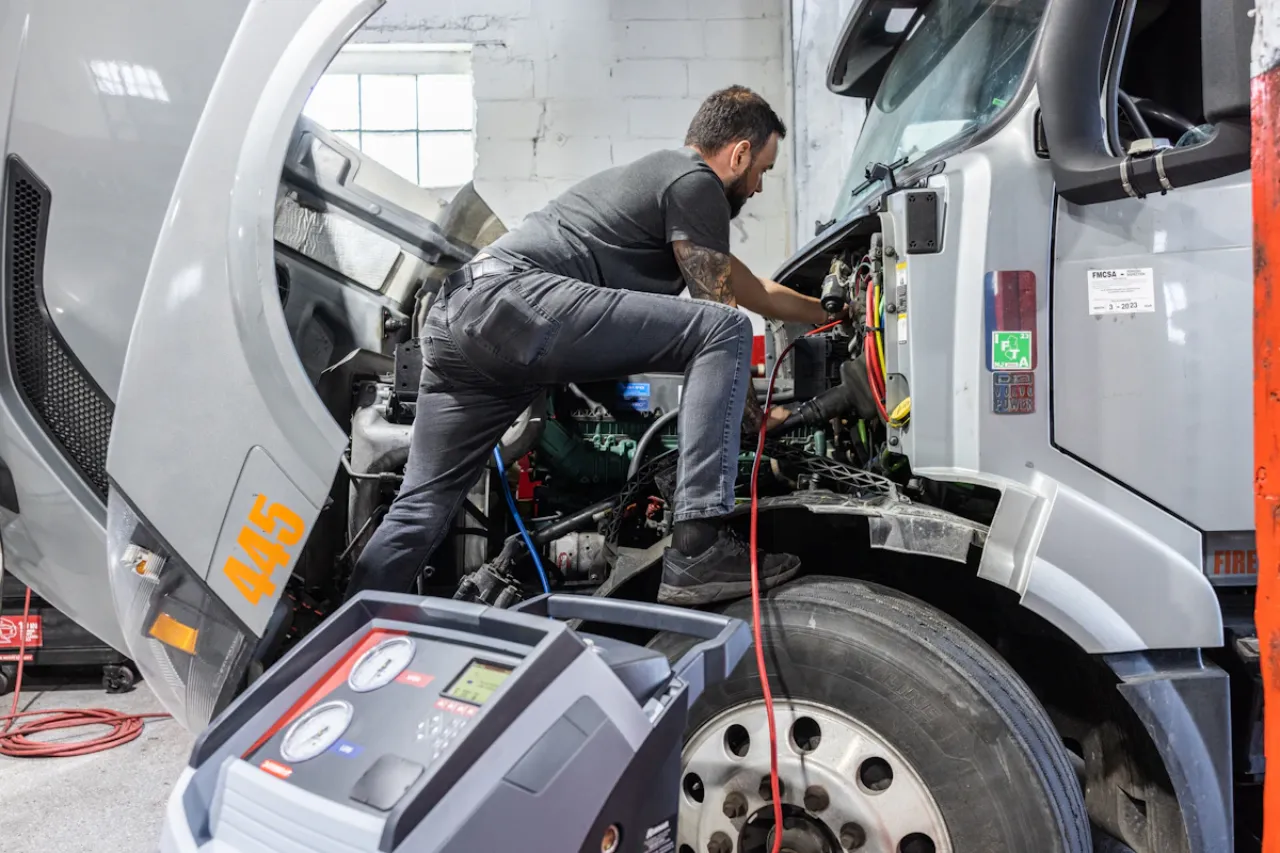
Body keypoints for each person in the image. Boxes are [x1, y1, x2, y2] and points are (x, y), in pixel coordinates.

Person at [346, 85, 833, 606]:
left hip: (457, 318)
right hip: (507, 300)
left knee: (421, 509)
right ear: (739, 153)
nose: (758, 187)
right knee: (724, 329)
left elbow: (754, 290)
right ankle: (698, 547)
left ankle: (347, 633)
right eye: (763, 169)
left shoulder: (665, 191)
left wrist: (831, 312)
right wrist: (753, 417)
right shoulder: (696, 183)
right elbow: (720, 311)